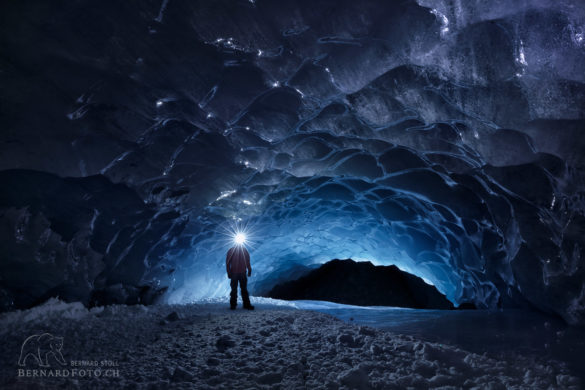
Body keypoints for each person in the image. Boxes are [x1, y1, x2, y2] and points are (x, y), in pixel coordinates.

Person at [226, 245, 254, 310]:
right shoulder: (231, 250)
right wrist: (229, 272)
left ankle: (246, 304)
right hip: (234, 273)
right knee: (234, 290)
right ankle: (233, 305)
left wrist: (249, 270)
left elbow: (247, 261)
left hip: (242, 273)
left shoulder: (244, 250)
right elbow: (228, 262)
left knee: (243, 289)